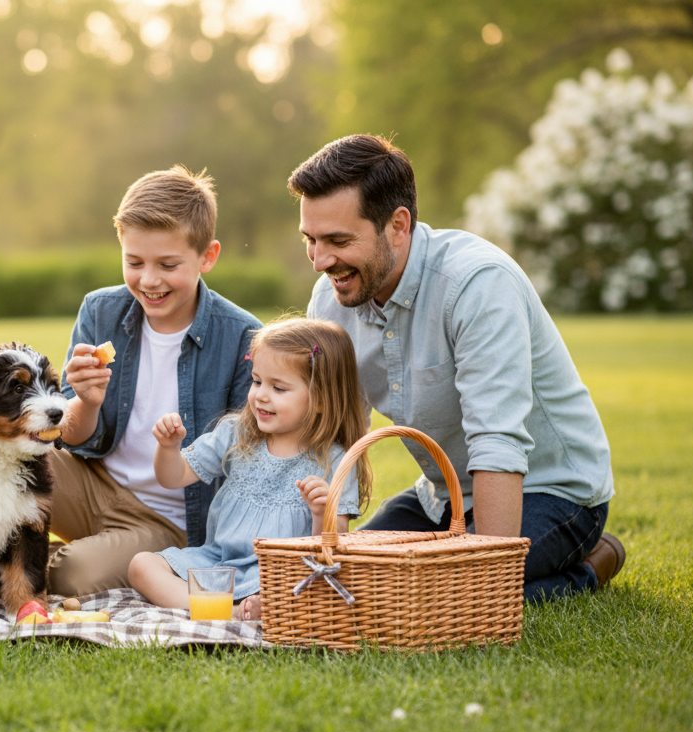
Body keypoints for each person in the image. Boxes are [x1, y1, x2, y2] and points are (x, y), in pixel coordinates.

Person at [292, 134, 623, 602]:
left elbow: (497, 442)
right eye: (311, 240)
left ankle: (589, 567)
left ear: (398, 225)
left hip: (551, 492)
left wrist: (480, 574)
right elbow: (336, 431)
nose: (321, 261)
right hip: (441, 497)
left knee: (442, 596)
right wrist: (330, 546)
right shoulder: (331, 297)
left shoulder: (478, 285)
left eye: (338, 241)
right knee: (350, 582)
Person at [49, 166, 263, 596]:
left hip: (167, 518)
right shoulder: (100, 312)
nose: (148, 280)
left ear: (208, 256)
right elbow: (68, 437)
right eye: (134, 262)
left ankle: (8, 562)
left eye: (168, 264)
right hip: (92, 481)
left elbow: (247, 463)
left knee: (72, 576)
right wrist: (86, 402)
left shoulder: (242, 336)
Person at [128, 318, 370, 619]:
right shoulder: (237, 433)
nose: (261, 395)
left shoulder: (335, 461)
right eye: (256, 381)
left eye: (278, 388)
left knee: (304, 590)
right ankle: (224, 612)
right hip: (218, 563)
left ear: (321, 399)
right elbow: (172, 477)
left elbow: (332, 552)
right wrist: (168, 448)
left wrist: (322, 513)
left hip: (279, 574)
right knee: (142, 565)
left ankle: (237, 608)